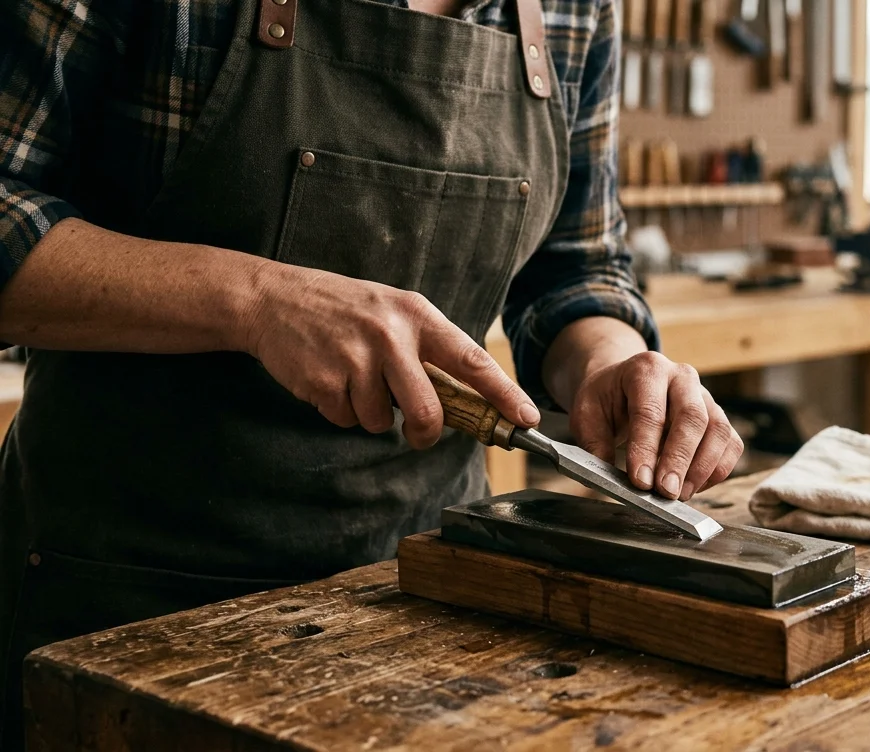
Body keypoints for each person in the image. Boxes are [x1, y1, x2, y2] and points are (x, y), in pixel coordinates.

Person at [0, 0, 743, 743]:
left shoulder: (576, 11)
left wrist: (608, 359)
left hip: (426, 601)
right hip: (125, 618)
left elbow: (575, 268)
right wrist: (255, 299)